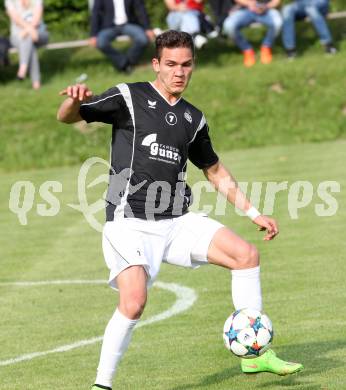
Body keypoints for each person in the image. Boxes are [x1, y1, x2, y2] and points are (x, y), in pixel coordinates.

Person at [57, 30, 303, 390]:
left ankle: (254, 356)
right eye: (171, 64)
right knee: (135, 301)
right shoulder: (130, 96)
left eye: (186, 65)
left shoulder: (193, 119)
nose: (179, 72)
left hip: (177, 221)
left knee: (246, 255)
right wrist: (73, 100)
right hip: (130, 223)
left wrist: (255, 213)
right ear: (156, 64)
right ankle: (102, 384)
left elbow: (214, 170)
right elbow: (69, 116)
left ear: (193, 67)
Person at [89, 0, 156, 73]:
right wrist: (93, 34)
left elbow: (141, 9)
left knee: (143, 39)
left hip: (129, 24)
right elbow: (95, 13)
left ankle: (127, 62)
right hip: (109, 26)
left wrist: (147, 28)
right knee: (101, 43)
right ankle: (124, 63)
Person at [223, 0, 282, 67]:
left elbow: (277, 1)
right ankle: (247, 50)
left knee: (277, 23)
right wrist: (249, 3)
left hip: (267, 9)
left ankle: (266, 47)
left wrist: (266, 6)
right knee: (228, 26)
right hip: (245, 9)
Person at [5, 0, 49, 89]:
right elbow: (16, 19)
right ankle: (36, 84)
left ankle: (23, 68)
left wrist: (28, 30)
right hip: (18, 36)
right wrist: (29, 30)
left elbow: (37, 17)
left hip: (39, 33)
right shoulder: (10, 1)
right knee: (28, 42)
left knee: (27, 38)